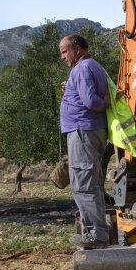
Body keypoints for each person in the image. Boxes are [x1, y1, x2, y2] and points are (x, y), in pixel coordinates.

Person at [59, 33, 111, 250]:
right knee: (91, 183)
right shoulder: (89, 67)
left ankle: (96, 235)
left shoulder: (82, 68)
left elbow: (91, 101)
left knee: (83, 185)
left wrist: (104, 103)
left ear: (77, 49)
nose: (62, 57)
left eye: (64, 51)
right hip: (89, 131)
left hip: (83, 130)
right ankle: (97, 233)